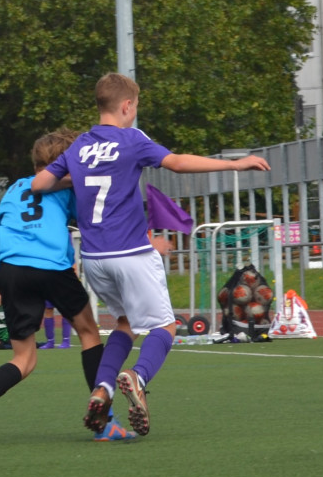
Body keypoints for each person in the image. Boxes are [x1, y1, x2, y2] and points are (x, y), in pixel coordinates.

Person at [30, 75, 269, 437]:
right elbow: (176, 162)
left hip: (94, 259)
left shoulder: (78, 146)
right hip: (131, 253)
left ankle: (103, 387)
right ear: (127, 106)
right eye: (135, 108)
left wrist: (76, 177)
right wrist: (235, 165)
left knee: (124, 323)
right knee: (165, 326)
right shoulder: (131, 139)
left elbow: (39, 184)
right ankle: (137, 377)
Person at [0, 129, 131, 446]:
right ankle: (104, 422)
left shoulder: (14, 191)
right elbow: (95, 218)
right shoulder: (68, 186)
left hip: (11, 271)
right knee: (87, 331)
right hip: (50, 266)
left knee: (24, 358)